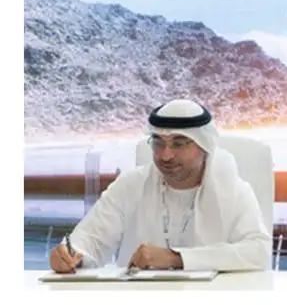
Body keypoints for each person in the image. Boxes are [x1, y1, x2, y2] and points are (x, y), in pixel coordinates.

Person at [48, 99, 272, 273]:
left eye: (179, 144)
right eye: (158, 143)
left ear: (204, 146)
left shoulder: (233, 190)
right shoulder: (130, 184)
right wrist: (71, 255)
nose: (166, 155)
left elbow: (258, 251)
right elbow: (91, 239)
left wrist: (176, 258)